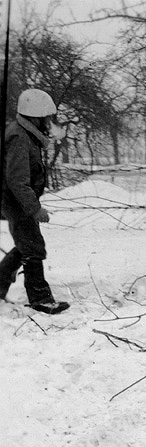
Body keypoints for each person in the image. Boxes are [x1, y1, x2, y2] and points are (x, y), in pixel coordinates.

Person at [0, 89, 70, 314]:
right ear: (35, 115)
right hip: (15, 201)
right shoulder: (19, 136)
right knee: (33, 247)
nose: (49, 122)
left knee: (25, 245)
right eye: (46, 118)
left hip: (16, 200)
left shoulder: (25, 134)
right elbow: (17, 180)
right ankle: (40, 299)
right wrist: (35, 208)